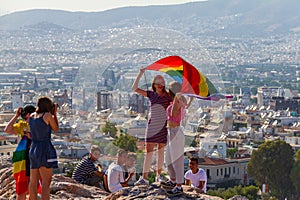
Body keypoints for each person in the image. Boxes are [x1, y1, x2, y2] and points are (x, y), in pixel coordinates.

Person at [132, 68, 172, 185]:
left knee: (160, 152)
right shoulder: (151, 94)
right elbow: (134, 88)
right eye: (158, 83)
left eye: (162, 83)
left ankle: (158, 176)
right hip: (152, 126)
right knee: (148, 153)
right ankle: (144, 177)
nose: (160, 85)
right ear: (154, 84)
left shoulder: (168, 95)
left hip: (163, 127)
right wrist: (140, 73)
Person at [161, 81, 189, 195]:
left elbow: (172, 115)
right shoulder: (176, 101)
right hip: (171, 132)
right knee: (168, 158)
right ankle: (173, 180)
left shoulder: (178, 102)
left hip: (176, 132)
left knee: (177, 160)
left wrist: (177, 98)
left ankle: (178, 185)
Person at [28, 96, 59, 200]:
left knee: (33, 181)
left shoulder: (32, 116)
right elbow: (56, 128)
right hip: (45, 148)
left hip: (33, 148)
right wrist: (54, 114)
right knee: (46, 182)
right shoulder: (47, 115)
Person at [5, 105, 36, 200]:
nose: (25, 119)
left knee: (33, 182)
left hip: (35, 154)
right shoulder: (22, 125)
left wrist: (32, 137)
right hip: (24, 156)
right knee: (22, 182)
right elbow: (8, 130)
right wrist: (16, 116)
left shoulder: (39, 125)